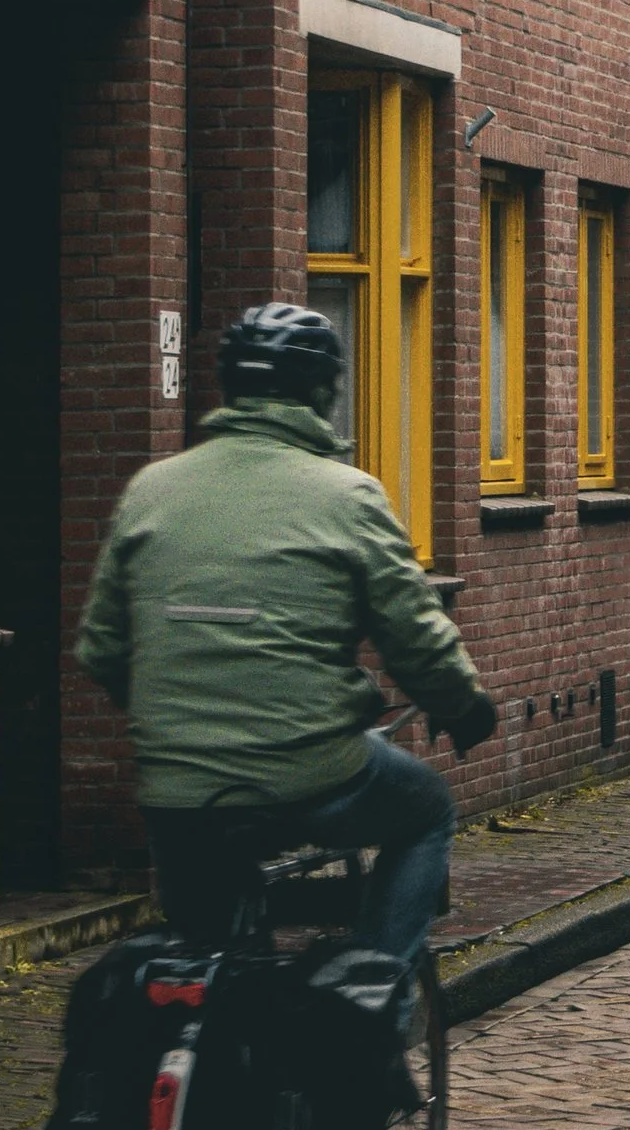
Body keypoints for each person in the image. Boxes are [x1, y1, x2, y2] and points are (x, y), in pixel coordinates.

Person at [76, 301, 499, 972]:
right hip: (307, 775)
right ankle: (374, 995)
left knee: (209, 961)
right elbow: (413, 635)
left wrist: (181, 719)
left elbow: (101, 648)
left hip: (177, 789)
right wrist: (464, 706)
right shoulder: (345, 495)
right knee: (425, 810)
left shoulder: (152, 490)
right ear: (322, 392)